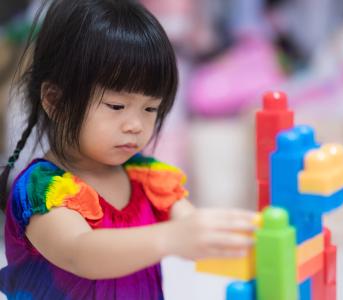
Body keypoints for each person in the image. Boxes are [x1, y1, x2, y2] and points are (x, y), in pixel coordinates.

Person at [0, 1, 256, 299]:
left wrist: (233, 237)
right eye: (117, 106)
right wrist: (172, 238)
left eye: (150, 108)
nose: (136, 125)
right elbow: (80, 252)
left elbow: (192, 227)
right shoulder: (42, 190)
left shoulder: (145, 177)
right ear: (55, 101)